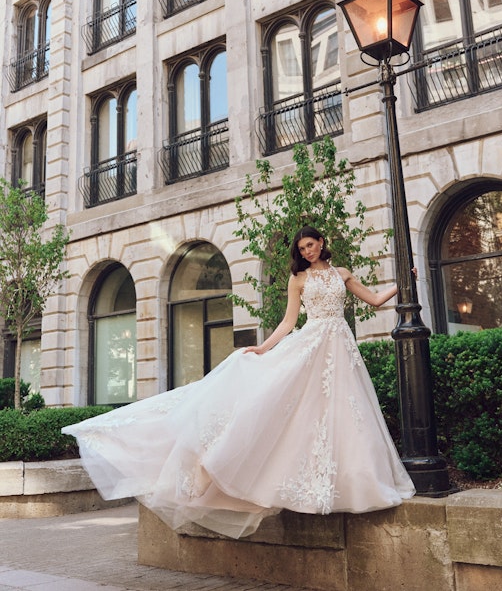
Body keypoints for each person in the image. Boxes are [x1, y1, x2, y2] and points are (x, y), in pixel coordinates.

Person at [62, 225, 415, 539]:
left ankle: (349, 483)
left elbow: (373, 299)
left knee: (342, 414)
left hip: (340, 348)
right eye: (302, 248)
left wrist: (404, 284)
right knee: (290, 408)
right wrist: (262, 348)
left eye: (311, 245)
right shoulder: (299, 280)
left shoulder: (341, 273)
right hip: (312, 345)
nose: (308, 252)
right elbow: (288, 322)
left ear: (323, 242)